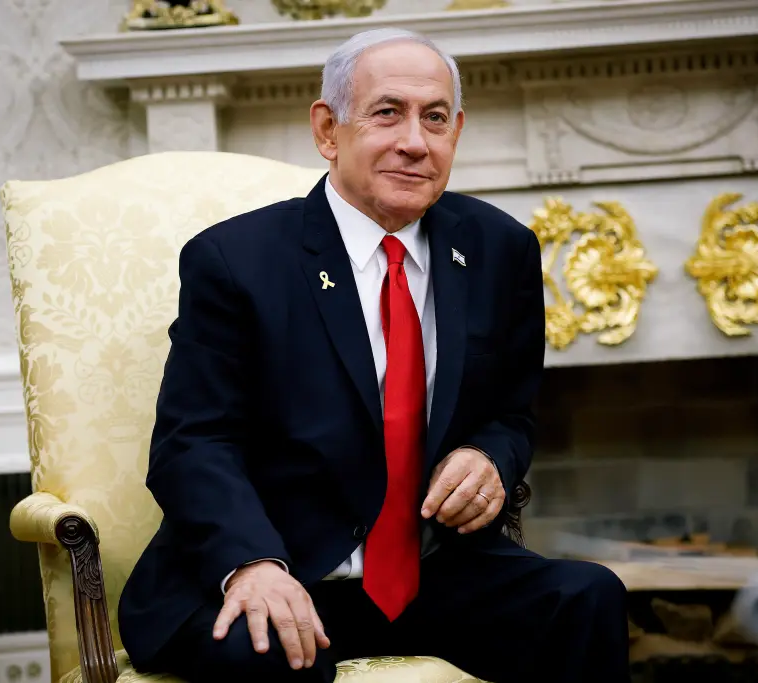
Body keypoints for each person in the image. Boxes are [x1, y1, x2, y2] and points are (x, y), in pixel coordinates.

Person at [117, 27, 629, 683]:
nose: (415, 141)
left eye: (435, 118)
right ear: (328, 130)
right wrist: (252, 563)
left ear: (456, 132)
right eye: (388, 112)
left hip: (431, 571)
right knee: (279, 654)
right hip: (277, 564)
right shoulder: (236, 260)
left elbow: (510, 414)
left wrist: (488, 456)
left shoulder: (501, 249)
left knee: (587, 598)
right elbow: (193, 441)